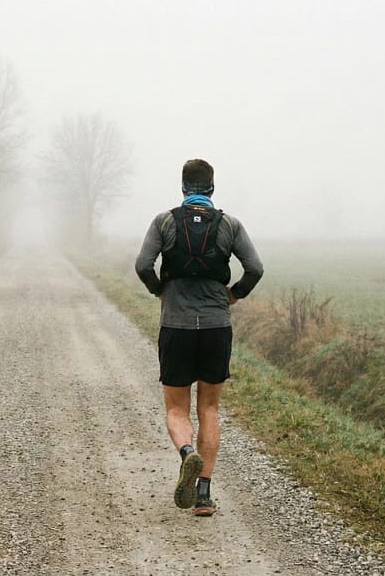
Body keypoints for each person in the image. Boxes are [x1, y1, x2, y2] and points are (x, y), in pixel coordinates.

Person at [135, 159, 263, 516]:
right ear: (211, 188)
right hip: (215, 326)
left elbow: (143, 265)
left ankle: (186, 453)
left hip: (175, 324)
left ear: (182, 187)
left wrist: (160, 290)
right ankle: (203, 494)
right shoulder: (229, 225)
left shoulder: (164, 221)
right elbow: (256, 268)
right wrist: (233, 295)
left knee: (177, 408)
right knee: (209, 407)